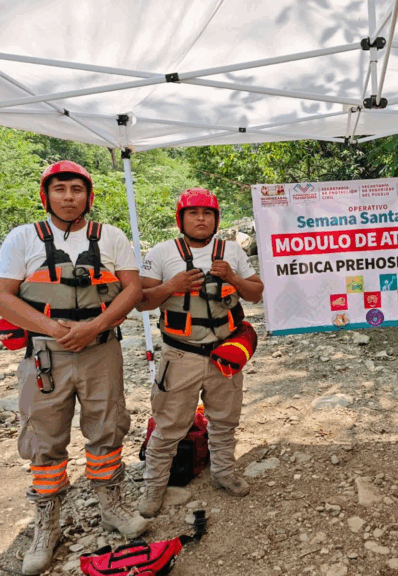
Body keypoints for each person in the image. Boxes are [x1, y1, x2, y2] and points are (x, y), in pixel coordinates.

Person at [0, 161, 148, 575]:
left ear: (88, 196)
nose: (68, 196)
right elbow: (0, 297)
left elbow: (132, 287)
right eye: (59, 189)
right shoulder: (21, 237)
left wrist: (95, 324)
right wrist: (52, 329)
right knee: (41, 437)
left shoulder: (111, 236)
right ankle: (47, 524)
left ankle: (112, 505)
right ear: (46, 195)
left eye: (76, 189)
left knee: (109, 425)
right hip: (42, 354)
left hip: (101, 349)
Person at [136, 188, 264, 517]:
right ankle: (153, 486)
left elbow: (256, 294)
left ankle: (223, 472)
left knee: (224, 421)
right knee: (168, 425)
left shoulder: (231, 251)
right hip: (180, 355)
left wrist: (233, 276)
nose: (201, 219)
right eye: (193, 213)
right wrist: (171, 287)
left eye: (207, 213)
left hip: (226, 351)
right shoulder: (163, 253)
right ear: (181, 219)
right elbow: (141, 300)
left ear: (216, 219)